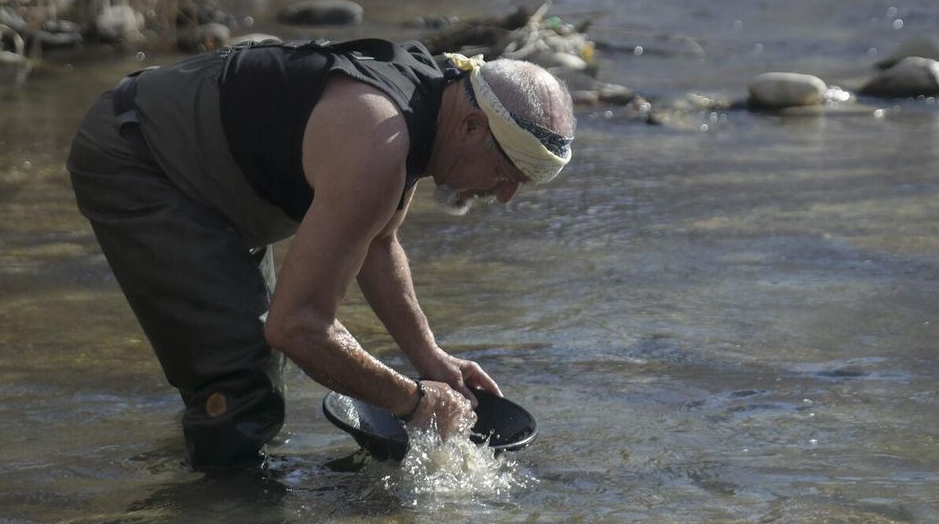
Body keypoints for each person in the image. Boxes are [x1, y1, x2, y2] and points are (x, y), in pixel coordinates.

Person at [66, 37, 575, 469]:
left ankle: (202, 462)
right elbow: (296, 326)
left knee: (249, 377)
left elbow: (379, 241)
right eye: (506, 174)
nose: (504, 195)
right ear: (470, 128)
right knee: (242, 387)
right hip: (141, 160)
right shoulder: (379, 140)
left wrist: (431, 359)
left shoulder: (437, 100)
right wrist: (414, 400)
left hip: (210, 181)